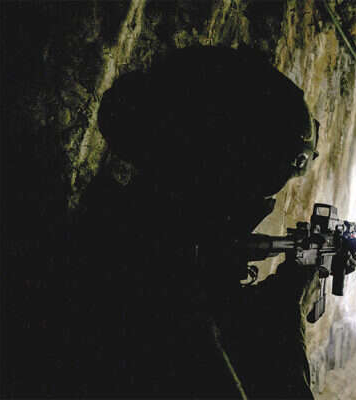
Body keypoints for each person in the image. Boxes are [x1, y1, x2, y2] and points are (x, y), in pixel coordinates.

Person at [69, 45, 322, 398]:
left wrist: (284, 289)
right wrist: (286, 312)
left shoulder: (128, 230)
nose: (257, 206)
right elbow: (194, 335)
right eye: (257, 189)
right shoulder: (150, 275)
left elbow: (217, 309)